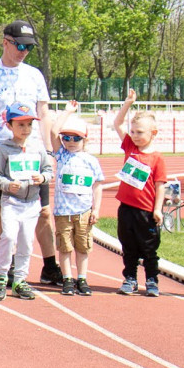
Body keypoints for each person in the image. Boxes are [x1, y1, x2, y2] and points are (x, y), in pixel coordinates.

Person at [0, 19, 62, 286]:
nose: (24, 51)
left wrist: (47, 150)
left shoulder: (34, 75)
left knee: (42, 211)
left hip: (32, 153)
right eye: (19, 45)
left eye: (29, 47)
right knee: (5, 211)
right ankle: (7, 267)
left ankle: (50, 265)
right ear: (5, 42)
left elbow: (43, 114)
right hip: (0, 153)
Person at [0, 102, 54, 301]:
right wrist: (8, 185)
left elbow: (48, 171)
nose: (25, 129)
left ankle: (20, 280)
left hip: (32, 204)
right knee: (9, 237)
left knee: (26, 242)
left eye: (29, 125)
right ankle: (1, 276)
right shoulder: (4, 149)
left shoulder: (38, 148)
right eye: (20, 125)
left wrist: (42, 179)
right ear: (9, 126)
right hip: (11, 202)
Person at [110, 89, 168, 297]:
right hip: (127, 209)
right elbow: (117, 124)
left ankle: (151, 280)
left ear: (153, 133)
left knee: (150, 249)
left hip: (146, 211)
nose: (135, 136)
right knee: (129, 247)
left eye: (140, 132)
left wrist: (158, 209)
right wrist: (128, 103)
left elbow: (160, 184)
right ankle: (130, 278)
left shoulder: (157, 158)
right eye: (133, 132)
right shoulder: (129, 148)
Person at [46, 101, 104, 297]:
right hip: (63, 212)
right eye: (67, 137)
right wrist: (67, 112)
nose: (71, 141)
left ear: (84, 140)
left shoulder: (91, 161)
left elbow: (97, 185)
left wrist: (96, 210)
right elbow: (53, 131)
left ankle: (82, 278)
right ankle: (67, 279)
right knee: (64, 247)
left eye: (76, 138)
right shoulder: (61, 155)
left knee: (83, 246)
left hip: (84, 211)